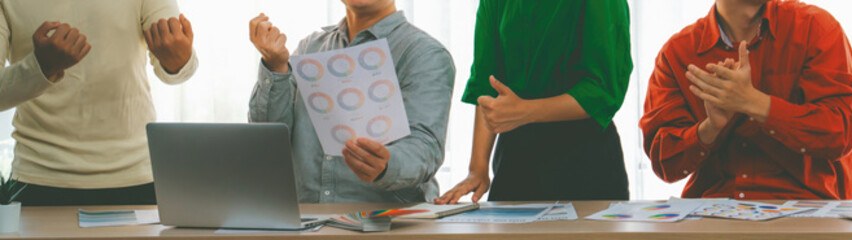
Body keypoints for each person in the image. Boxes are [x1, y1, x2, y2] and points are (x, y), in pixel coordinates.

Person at [639, 0, 852, 200]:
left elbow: (842, 131)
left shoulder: (815, 28)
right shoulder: (677, 52)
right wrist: (710, 128)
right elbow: (665, 162)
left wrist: (754, 103)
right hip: (715, 212)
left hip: (810, 207)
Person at [247, 0, 453, 203]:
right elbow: (269, 139)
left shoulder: (425, 53)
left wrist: (386, 165)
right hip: (309, 222)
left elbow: (425, 147)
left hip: (389, 225)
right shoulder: (310, 47)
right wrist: (275, 68)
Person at [0, 0, 198, 206]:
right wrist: (41, 66)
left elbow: (179, 67)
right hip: (39, 176)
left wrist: (178, 61)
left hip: (135, 175)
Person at [435, 0, 632, 203]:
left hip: (585, 159)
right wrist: (477, 168)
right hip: (515, 160)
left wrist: (525, 111)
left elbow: (601, 89)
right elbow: (488, 83)